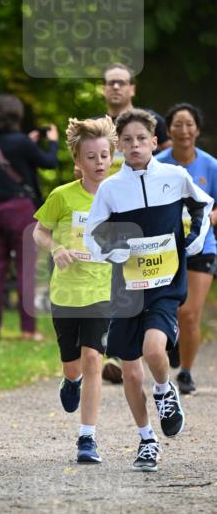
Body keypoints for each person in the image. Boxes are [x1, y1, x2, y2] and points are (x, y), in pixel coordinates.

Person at [84, 109, 213, 471]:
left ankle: (164, 391)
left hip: (166, 282)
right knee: (130, 370)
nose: (135, 145)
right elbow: (94, 232)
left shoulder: (175, 176)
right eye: (127, 140)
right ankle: (146, 440)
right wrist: (115, 251)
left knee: (154, 348)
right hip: (126, 287)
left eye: (142, 138)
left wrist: (191, 242)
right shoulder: (111, 189)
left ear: (155, 142)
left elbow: (202, 205)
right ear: (119, 146)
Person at [33, 117, 117, 464]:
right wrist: (56, 249)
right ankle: (70, 382)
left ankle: (87, 438)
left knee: (94, 358)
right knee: (73, 365)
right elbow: (39, 232)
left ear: (112, 157)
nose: (99, 163)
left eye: (104, 156)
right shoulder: (62, 196)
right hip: (66, 293)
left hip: (101, 290)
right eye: (91, 157)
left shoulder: (119, 195)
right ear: (77, 163)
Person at [97, 63, 171, 384]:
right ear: (103, 88)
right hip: (110, 212)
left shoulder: (150, 121)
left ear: (132, 88)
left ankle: (157, 339)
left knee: (151, 276)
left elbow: (167, 159)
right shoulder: (97, 126)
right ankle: (122, 352)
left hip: (149, 211)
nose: (115, 88)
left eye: (121, 83)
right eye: (110, 83)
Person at [0, 94, 59, 340]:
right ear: (18, 115)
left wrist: (29, 143)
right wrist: (52, 142)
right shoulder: (23, 143)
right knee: (26, 269)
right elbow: (49, 163)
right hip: (20, 210)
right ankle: (27, 330)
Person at [156, 102, 217, 392]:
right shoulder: (157, 163)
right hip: (164, 246)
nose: (184, 130)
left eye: (189, 124)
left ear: (198, 129)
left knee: (190, 312)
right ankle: (172, 343)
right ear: (168, 130)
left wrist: (204, 217)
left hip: (202, 245)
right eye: (177, 125)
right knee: (167, 309)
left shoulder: (210, 165)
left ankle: (186, 372)